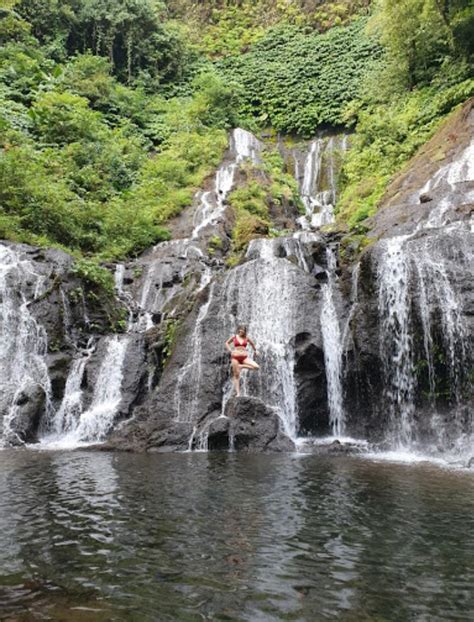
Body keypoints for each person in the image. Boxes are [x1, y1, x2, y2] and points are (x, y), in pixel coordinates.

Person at [225, 325, 259, 397]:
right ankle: (238, 393)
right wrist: (230, 351)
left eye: (243, 331)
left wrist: (255, 351)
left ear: (244, 332)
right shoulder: (234, 337)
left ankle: (242, 366)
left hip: (244, 358)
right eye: (240, 330)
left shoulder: (247, 338)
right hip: (235, 358)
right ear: (239, 330)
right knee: (236, 375)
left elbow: (253, 344)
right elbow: (227, 343)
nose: (241, 332)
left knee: (256, 367)